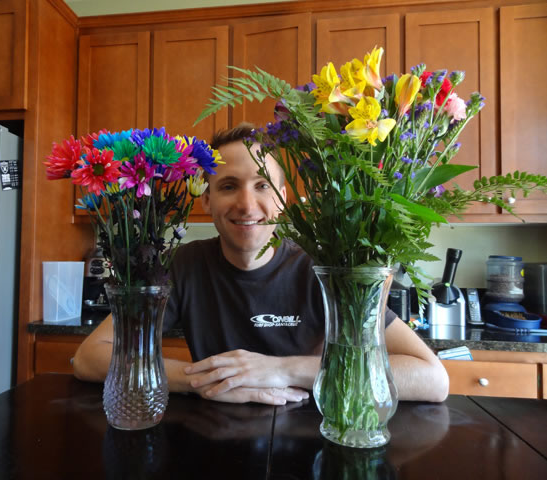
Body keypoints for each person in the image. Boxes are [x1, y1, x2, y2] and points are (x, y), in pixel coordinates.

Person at [73, 124, 449, 405]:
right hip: (210, 443)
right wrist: (208, 381)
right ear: (206, 200)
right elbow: (90, 357)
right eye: (228, 186)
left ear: (283, 199)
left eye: (262, 185)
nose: (247, 205)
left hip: (313, 440)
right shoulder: (183, 264)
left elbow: (432, 379)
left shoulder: (324, 269)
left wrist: (281, 370)